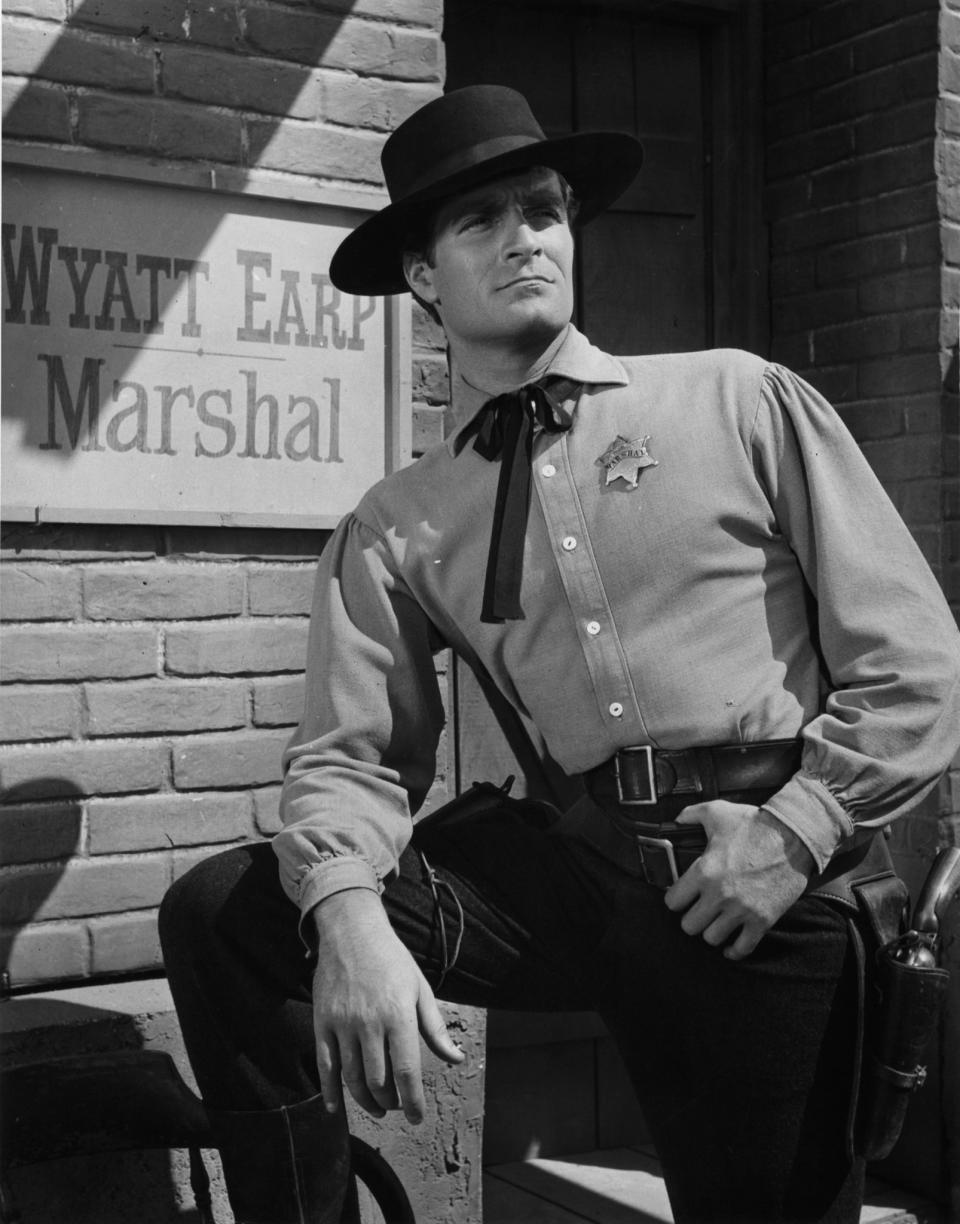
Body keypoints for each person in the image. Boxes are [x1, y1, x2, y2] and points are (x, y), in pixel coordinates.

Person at [160, 86, 960, 1224]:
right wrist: (345, 917)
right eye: (479, 221)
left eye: (542, 208)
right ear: (425, 277)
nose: (524, 235)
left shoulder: (739, 398)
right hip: (576, 884)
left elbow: (919, 665)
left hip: (761, 881)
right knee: (225, 912)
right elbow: (348, 758)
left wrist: (801, 831)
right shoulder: (399, 522)